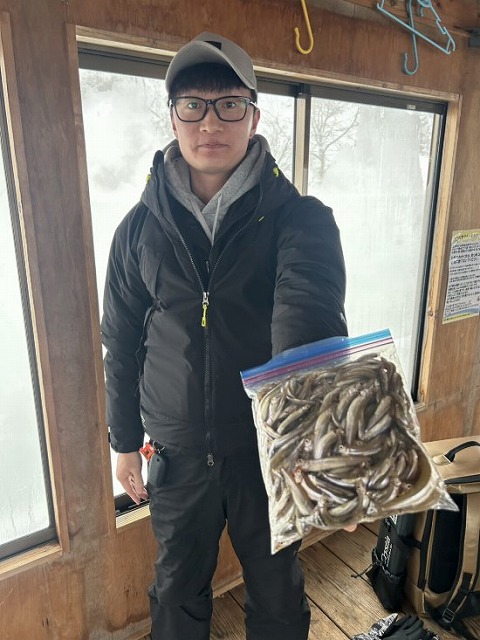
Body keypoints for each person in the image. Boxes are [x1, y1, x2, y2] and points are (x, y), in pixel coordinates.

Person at [101, 32, 348, 640]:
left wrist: (322, 450)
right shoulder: (137, 230)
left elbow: (308, 319)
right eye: (193, 105)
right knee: (175, 591)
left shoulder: (301, 220)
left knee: (277, 591)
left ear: (254, 117)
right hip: (176, 453)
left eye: (229, 104)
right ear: (173, 118)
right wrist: (125, 441)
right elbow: (121, 342)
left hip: (269, 451)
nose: (210, 121)